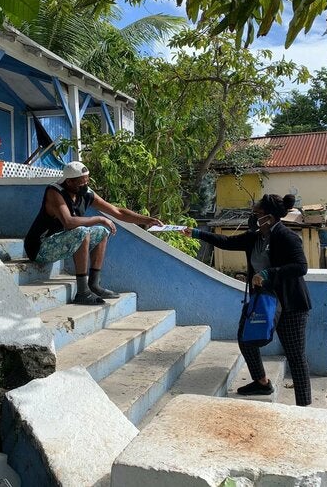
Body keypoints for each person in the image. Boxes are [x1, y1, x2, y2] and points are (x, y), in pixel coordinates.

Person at [182, 194, 312, 406]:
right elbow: (226, 242)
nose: (254, 217)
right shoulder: (254, 237)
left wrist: (269, 273)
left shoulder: (287, 237)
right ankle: (261, 382)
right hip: (263, 301)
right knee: (246, 340)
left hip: (290, 305)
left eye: (258, 214)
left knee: (296, 356)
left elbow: (300, 267)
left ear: (270, 217)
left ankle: (305, 407)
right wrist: (196, 233)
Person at [24, 161, 162, 305]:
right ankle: (82, 292)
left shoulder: (85, 194)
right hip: (40, 248)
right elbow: (68, 222)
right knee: (82, 231)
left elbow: (117, 212)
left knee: (102, 231)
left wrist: (146, 220)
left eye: (87, 181)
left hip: (60, 242)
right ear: (69, 182)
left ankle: (94, 285)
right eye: (81, 184)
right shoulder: (55, 192)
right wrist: (99, 218)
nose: (85, 186)